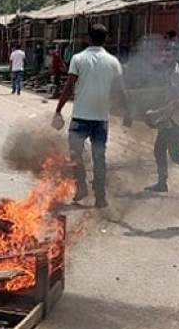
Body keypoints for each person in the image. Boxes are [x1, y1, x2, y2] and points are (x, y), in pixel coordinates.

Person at [53, 24, 131, 209]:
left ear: (88, 38)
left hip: (80, 117)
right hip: (101, 119)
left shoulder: (78, 58)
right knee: (99, 158)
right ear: (106, 40)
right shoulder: (113, 61)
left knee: (75, 155)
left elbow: (69, 86)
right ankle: (100, 197)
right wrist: (128, 112)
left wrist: (58, 109)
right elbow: (121, 90)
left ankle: (81, 188)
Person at [144, 41, 179, 193]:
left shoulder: (176, 74)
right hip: (170, 120)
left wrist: (157, 114)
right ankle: (163, 182)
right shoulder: (170, 73)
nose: (165, 58)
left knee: (170, 154)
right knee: (171, 154)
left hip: (174, 121)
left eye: (168, 56)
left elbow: (176, 102)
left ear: (175, 57)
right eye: (164, 55)